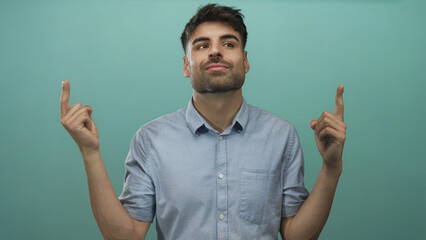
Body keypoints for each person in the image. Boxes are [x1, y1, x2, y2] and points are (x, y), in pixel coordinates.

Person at [60, 4, 346, 240]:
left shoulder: (282, 135)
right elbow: (126, 236)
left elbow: (297, 235)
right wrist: (90, 153)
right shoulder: (150, 140)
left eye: (228, 43)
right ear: (187, 66)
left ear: (245, 61)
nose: (215, 51)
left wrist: (331, 169)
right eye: (202, 45)